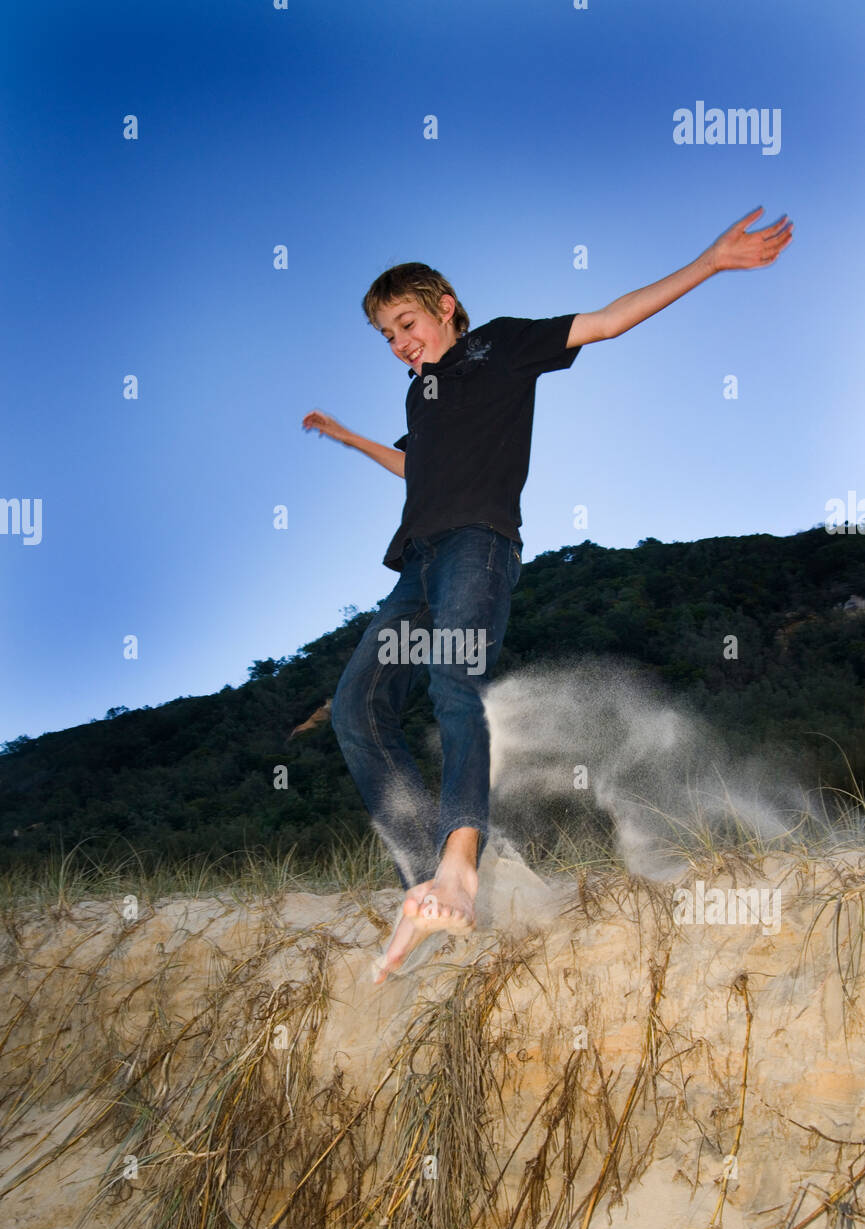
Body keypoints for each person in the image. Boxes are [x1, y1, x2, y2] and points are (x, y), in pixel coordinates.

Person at [301, 207, 793, 982]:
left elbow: (603, 322)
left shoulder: (499, 345)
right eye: (386, 336)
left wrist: (709, 261)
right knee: (357, 708)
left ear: (444, 307)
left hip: (478, 549)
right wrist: (347, 437)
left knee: (451, 683)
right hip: (416, 567)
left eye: (406, 323)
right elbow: (414, 469)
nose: (400, 343)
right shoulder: (416, 399)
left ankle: (461, 869)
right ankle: (428, 879)